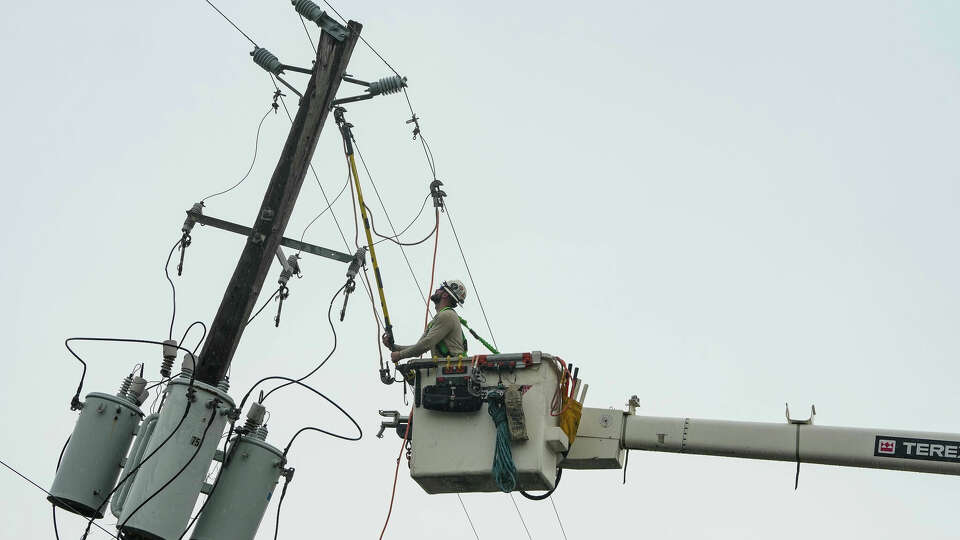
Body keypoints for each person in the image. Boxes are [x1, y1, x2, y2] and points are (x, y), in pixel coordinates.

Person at [384, 280, 469, 362]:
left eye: (440, 288)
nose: (436, 290)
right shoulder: (435, 321)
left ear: (445, 295)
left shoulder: (447, 315)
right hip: (447, 369)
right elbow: (418, 347)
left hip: (453, 369)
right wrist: (393, 347)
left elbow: (426, 344)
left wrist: (400, 355)